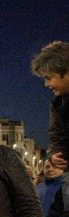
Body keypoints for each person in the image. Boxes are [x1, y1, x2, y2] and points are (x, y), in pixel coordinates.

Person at [31, 41, 69, 170]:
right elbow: (56, 137)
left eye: (48, 78)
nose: (46, 85)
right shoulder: (58, 105)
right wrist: (54, 156)